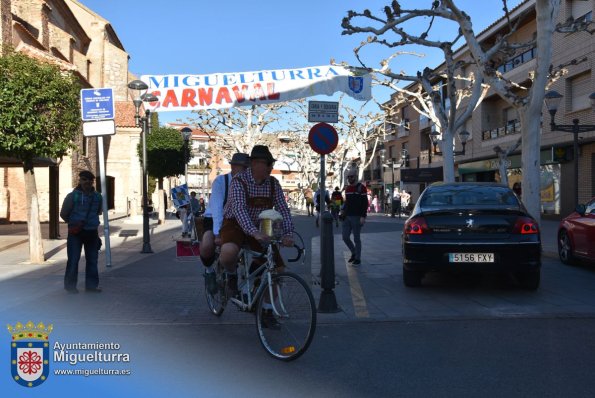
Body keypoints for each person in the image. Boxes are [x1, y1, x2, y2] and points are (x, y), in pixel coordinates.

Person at [219, 145, 294, 297]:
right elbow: (239, 210)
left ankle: (265, 309)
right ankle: (231, 275)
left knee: (277, 269)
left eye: (271, 164)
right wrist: (254, 233)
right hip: (234, 224)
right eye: (268, 164)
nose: (270, 168)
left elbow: (283, 209)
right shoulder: (239, 181)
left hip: (260, 226)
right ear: (254, 164)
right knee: (228, 253)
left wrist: (288, 233)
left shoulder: (273, 183)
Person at [200, 152, 249, 294]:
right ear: (233, 167)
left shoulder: (248, 183)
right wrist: (217, 234)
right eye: (243, 167)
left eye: (248, 168)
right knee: (208, 244)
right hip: (215, 218)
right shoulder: (221, 181)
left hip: (236, 219)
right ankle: (209, 271)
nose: (246, 171)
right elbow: (216, 208)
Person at [60, 170, 103, 293]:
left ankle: (91, 286)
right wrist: (74, 223)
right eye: (84, 179)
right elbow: (64, 214)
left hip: (91, 233)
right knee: (73, 260)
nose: (87, 182)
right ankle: (70, 287)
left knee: (92, 260)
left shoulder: (97, 197)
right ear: (80, 180)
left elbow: (98, 212)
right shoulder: (73, 196)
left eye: (90, 180)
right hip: (76, 233)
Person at [340, 170, 368, 267]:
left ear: (355, 177)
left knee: (357, 238)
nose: (350, 178)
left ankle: (358, 258)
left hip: (357, 217)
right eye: (348, 177)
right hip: (347, 216)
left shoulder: (362, 188)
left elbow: (365, 203)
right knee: (345, 237)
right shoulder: (347, 189)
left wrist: (363, 216)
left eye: (352, 176)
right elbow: (347, 202)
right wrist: (343, 211)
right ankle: (354, 252)